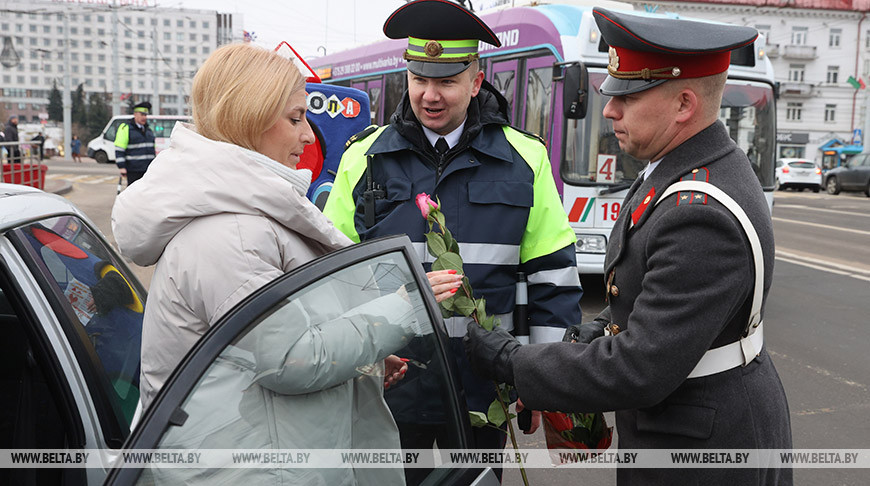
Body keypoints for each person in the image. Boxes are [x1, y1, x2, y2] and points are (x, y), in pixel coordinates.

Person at [464, 7, 792, 485]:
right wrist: (592, 332)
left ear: (684, 105)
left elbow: (640, 367)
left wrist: (512, 361)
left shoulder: (700, 213)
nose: (610, 109)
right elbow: (640, 294)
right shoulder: (681, 167)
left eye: (629, 96)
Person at [112, 43, 462, 484]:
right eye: (296, 118)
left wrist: (367, 355)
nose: (309, 137)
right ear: (249, 118)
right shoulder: (232, 233)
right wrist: (405, 307)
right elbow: (293, 360)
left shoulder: (246, 214)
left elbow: (285, 333)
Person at [323, 0, 583, 479]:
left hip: (486, 389)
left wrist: (542, 377)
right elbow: (331, 274)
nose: (430, 95)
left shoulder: (525, 159)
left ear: (476, 80)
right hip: (390, 387)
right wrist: (356, 368)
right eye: (420, 79)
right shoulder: (364, 158)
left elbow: (554, 279)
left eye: (446, 81)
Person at [114, 100, 156, 184]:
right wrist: (122, 167)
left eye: (146, 115)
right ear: (135, 114)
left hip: (148, 170)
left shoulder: (148, 130)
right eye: (142, 115)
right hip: (133, 170)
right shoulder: (126, 128)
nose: (144, 117)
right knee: (133, 195)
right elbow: (119, 149)